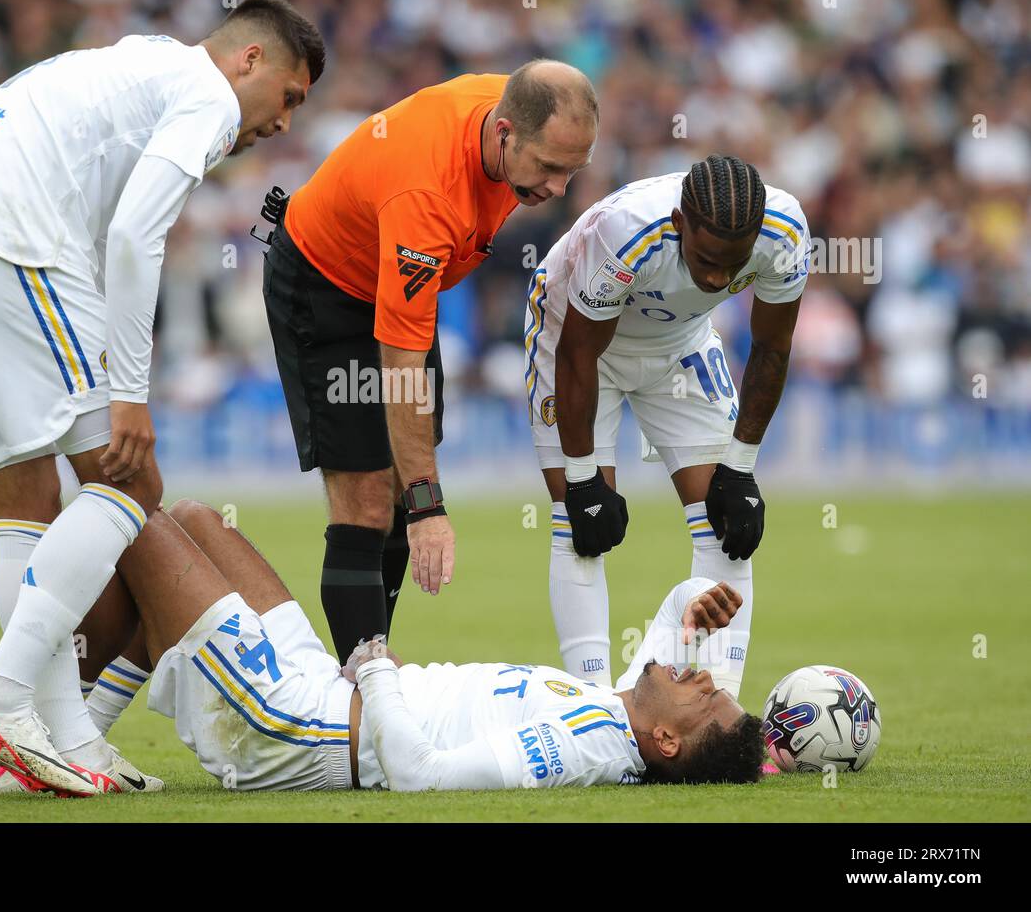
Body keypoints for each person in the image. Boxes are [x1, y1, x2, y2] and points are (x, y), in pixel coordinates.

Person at [0, 0, 325, 795]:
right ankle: (1, 697)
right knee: (130, 481)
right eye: (290, 98)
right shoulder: (203, 91)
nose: (283, 124)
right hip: (9, 249)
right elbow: (136, 236)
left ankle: (63, 746)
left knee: (24, 500)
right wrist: (129, 391)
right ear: (249, 61)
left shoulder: (136, 64)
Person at [72, 499, 764, 792]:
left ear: (666, 742)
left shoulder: (582, 748)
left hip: (295, 726)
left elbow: (421, 776)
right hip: (328, 688)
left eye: (704, 695)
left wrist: (376, 674)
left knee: (139, 518)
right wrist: (689, 605)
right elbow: (660, 659)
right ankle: (81, 742)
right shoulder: (615, 712)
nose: (703, 677)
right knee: (194, 522)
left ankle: (64, 738)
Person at [263, 59, 598, 663]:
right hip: (326, 288)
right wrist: (429, 507)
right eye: (548, 168)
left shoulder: (521, 106)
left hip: (398, 275)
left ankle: (367, 668)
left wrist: (412, 494)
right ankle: (360, 700)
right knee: (371, 498)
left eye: (573, 170)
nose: (557, 190)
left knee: (397, 484)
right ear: (503, 134)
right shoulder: (426, 193)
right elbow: (402, 370)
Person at [525, 155, 809, 693]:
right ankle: (590, 709)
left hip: (681, 343)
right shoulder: (626, 230)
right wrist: (583, 476)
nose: (717, 278)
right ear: (679, 223)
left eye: (734, 264)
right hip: (576, 338)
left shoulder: (786, 231)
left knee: (730, 527)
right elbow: (579, 354)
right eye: (704, 260)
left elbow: (772, 348)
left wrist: (741, 467)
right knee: (581, 523)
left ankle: (718, 708)